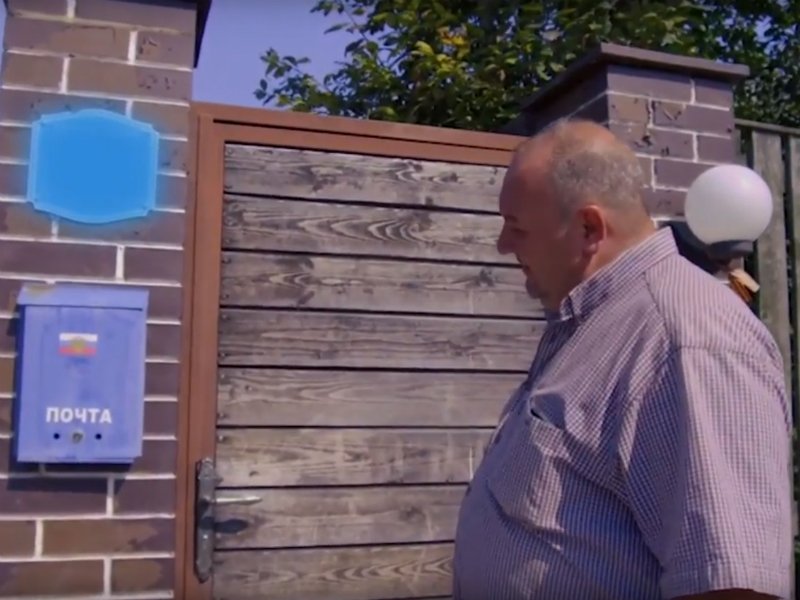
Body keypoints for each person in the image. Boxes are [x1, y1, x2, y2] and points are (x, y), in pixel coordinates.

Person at [452, 118, 792, 599]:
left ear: (589, 227)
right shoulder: (593, 323)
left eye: (517, 227)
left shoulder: (685, 337)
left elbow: (733, 586)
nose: (503, 245)